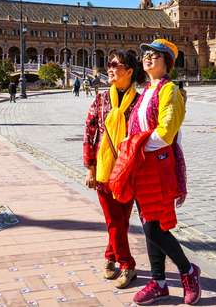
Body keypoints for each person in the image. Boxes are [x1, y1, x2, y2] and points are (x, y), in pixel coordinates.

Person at [116, 39, 201, 305]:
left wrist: (134, 145)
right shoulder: (144, 92)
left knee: (155, 227)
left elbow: (165, 133)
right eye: (146, 55)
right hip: (143, 167)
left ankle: (188, 272)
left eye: (155, 55)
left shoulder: (169, 91)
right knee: (148, 223)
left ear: (167, 62)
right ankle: (159, 282)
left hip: (159, 165)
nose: (148, 59)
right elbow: (135, 128)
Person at [83, 51, 144, 289]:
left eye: (115, 65)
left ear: (129, 71)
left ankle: (110, 255)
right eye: (108, 65)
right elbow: (89, 134)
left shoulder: (139, 102)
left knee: (121, 221)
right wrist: (90, 168)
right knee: (114, 221)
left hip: (128, 170)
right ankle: (127, 264)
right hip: (103, 170)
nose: (109, 69)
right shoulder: (100, 100)